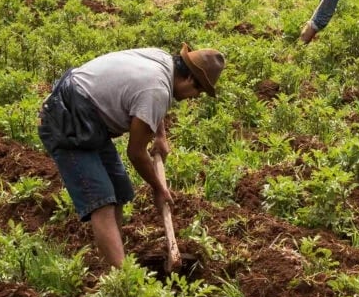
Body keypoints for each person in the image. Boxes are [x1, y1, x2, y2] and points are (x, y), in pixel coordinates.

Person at [38, 44, 225, 268]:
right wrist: (158, 188)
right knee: (102, 200)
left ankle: (115, 263)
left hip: (91, 115)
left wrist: (160, 136)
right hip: (67, 117)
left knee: (120, 190)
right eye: (199, 91)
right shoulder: (157, 90)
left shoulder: (162, 61)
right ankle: (125, 280)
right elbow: (136, 153)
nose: (195, 98)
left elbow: (149, 102)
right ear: (189, 80)